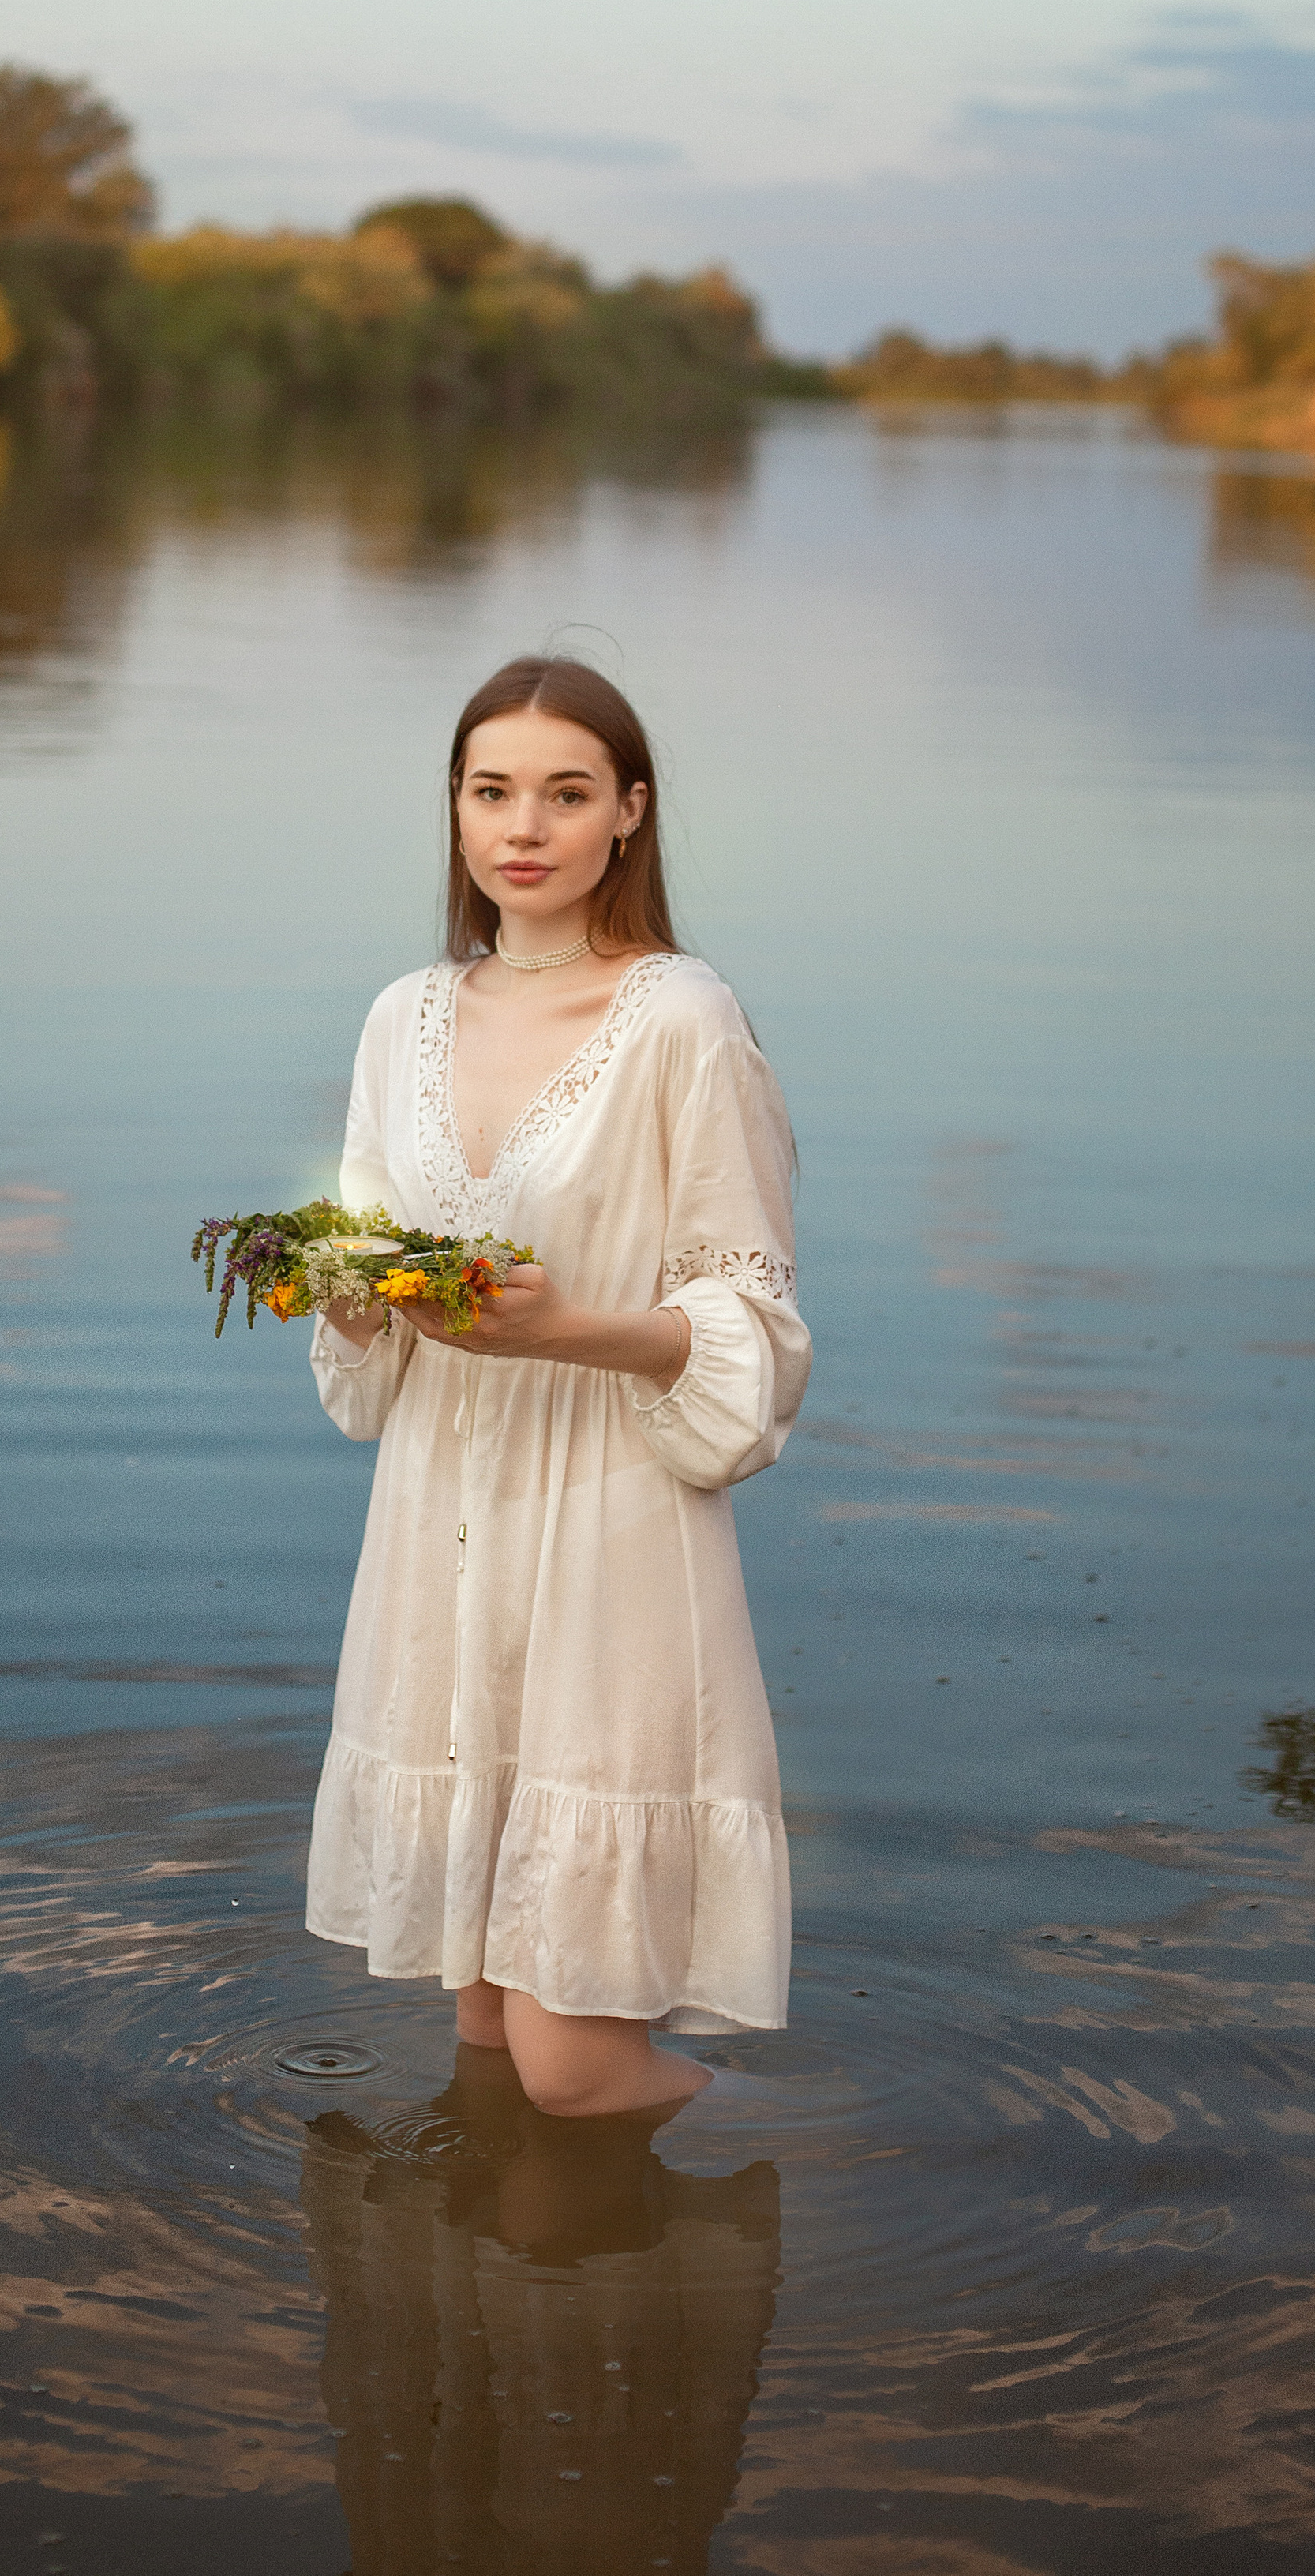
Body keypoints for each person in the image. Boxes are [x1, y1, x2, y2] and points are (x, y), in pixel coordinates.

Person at [307, 656, 811, 2120]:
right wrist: (350, 1298)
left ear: (630, 813)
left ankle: (817, 2168)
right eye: (492, 791)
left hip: (611, 1535)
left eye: (567, 793)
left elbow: (754, 1330)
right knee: (483, 2032)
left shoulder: (683, 1019)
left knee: (571, 2069)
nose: (523, 827)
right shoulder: (401, 1016)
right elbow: (366, 1350)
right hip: (441, 1534)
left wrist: (574, 1328)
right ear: (457, 810)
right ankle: (526, 2247)